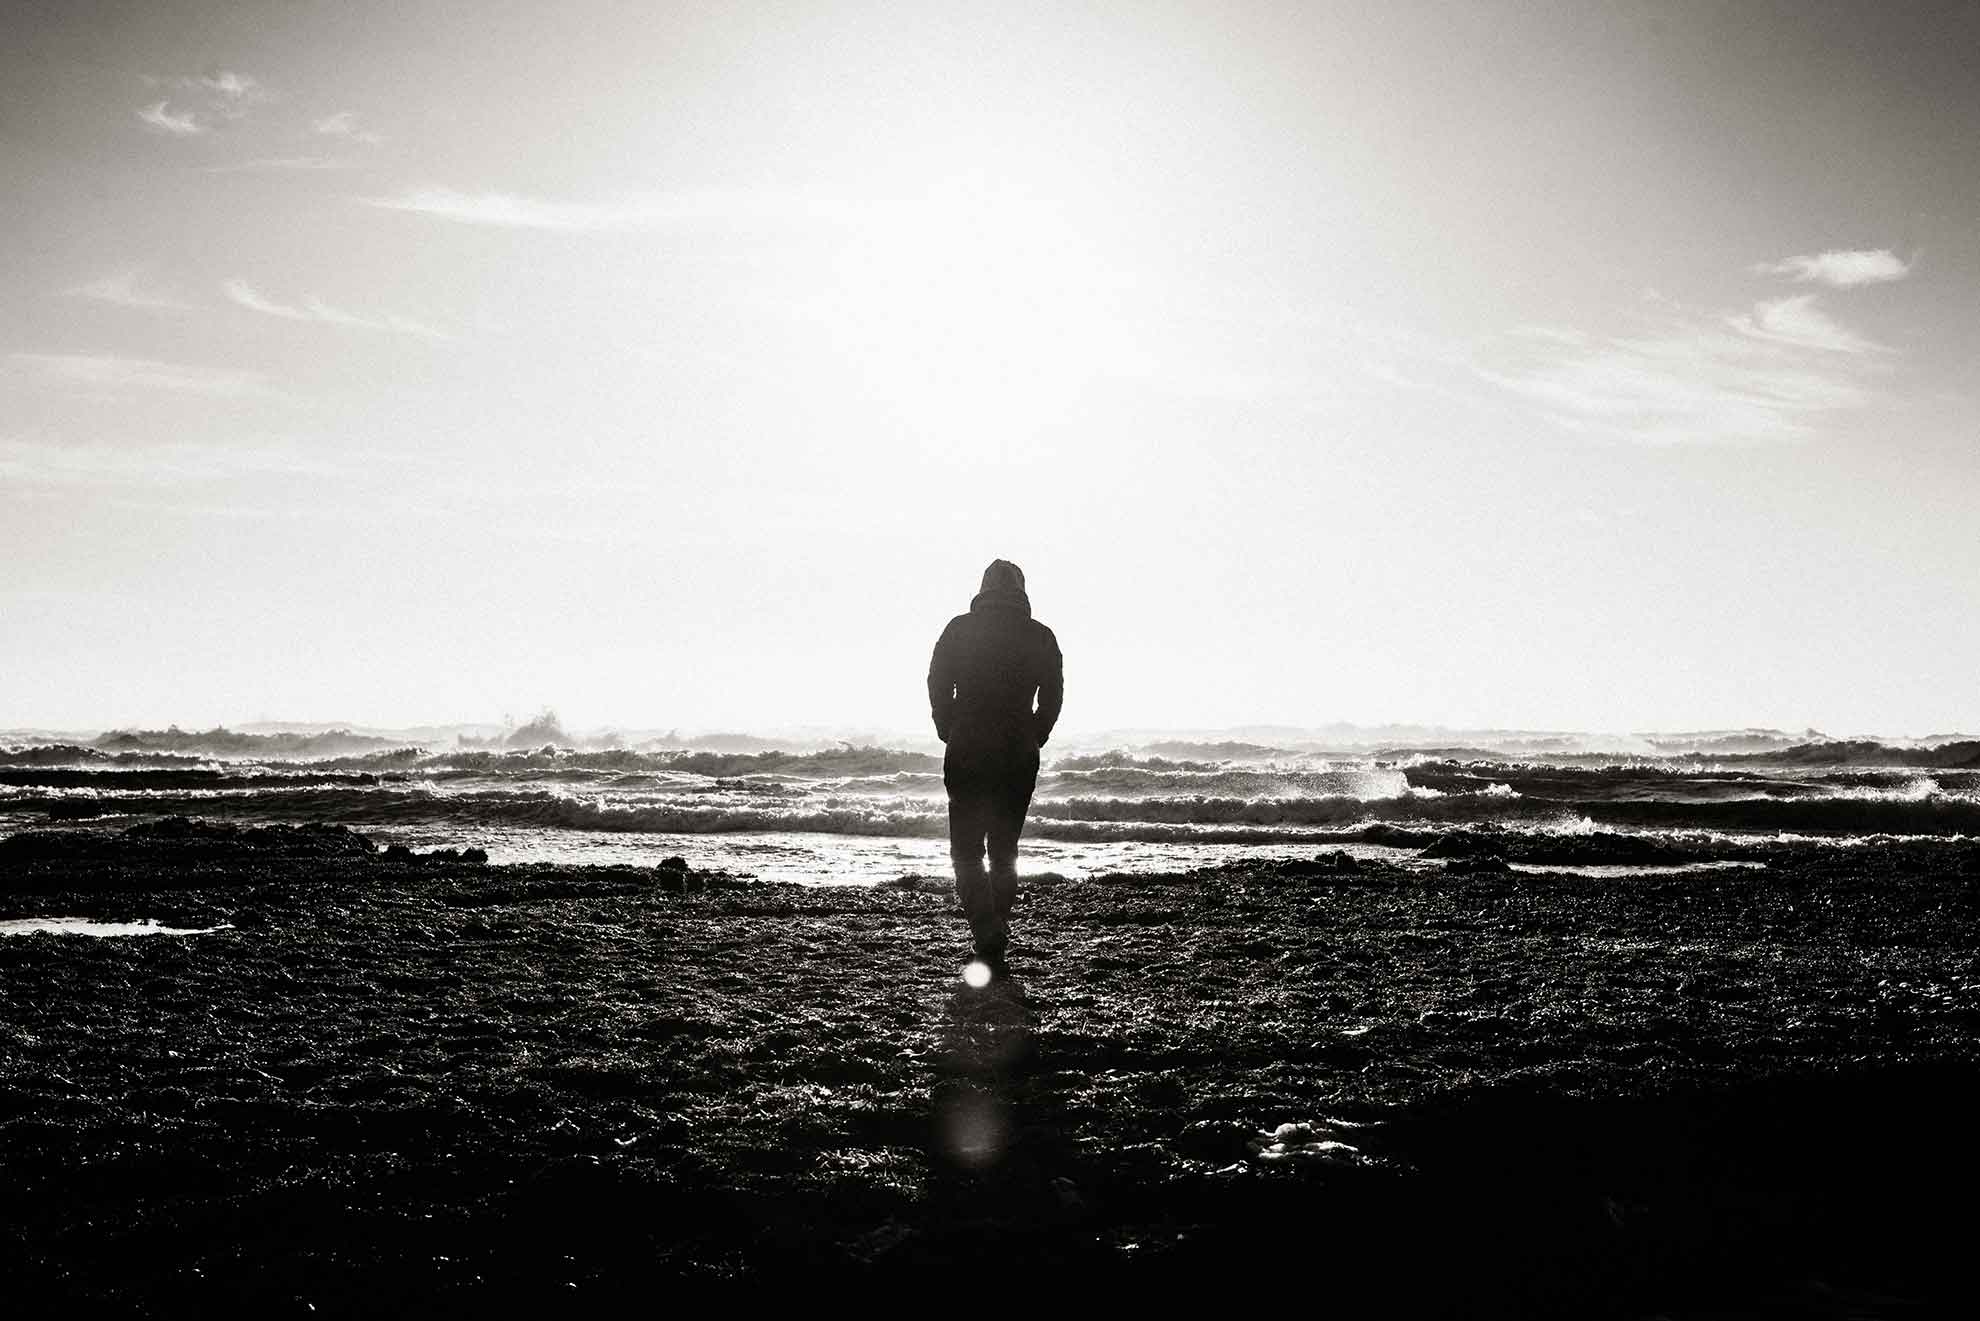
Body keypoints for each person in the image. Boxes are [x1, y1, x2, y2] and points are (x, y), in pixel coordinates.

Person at [927, 559, 1063, 965]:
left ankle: (987, 930)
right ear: (1021, 590)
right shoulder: (1040, 636)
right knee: (1004, 850)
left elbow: (937, 681)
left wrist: (947, 725)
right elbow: (1053, 697)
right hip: (1017, 753)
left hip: (967, 747)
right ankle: (996, 926)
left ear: (983, 588)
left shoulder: (959, 629)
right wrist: (1034, 734)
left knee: (966, 851)